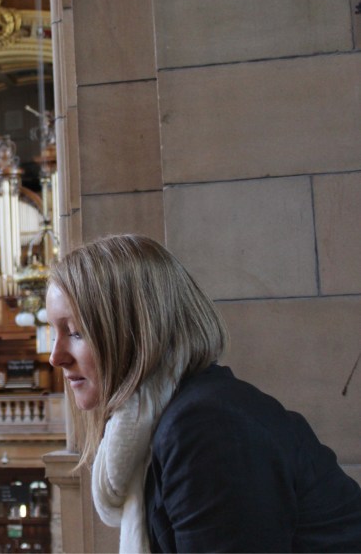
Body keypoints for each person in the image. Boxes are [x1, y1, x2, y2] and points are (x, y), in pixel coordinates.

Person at [46, 233, 361, 553]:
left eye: (75, 332)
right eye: (53, 332)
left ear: (136, 332)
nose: (55, 357)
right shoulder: (171, 418)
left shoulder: (205, 425)